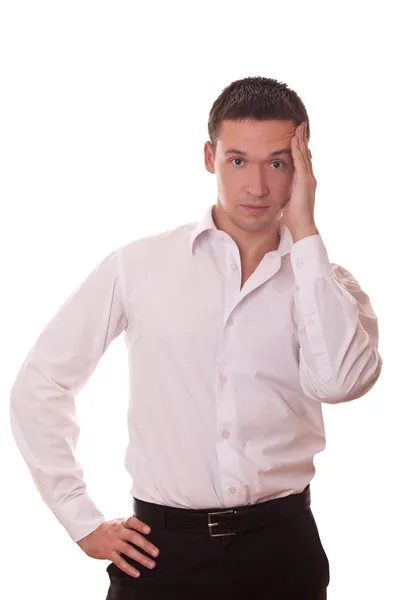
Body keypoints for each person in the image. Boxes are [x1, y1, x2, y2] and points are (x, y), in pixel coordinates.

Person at [9, 76, 382, 599]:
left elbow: (341, 383)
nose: (256, 185)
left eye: (277, 162)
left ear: (303, 165)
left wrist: (306, 232)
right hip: (160, 555)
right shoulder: (139, 265)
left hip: (282, 552)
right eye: (237, 160)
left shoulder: (328, 284)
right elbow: (41, 383)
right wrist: (81, 519)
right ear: (210, 157)